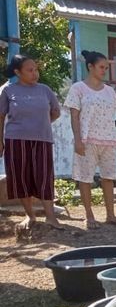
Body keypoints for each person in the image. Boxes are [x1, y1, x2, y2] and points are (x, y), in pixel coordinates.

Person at [64, 50, 116, 229]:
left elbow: (113, 114)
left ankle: (111, 215)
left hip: (108, 140)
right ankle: (89, 216)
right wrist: (77, 140)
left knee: (108, 178)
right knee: (85, 178)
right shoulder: (78, 88)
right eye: (101, 67)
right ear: (90, 66)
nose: (104, 70)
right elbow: (74, 116)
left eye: (106, 68)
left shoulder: (110, 91)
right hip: (87, 139)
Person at [0, 55, 62, 230]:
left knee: (44, 178)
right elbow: (0, 116)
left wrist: (41, 124)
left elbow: (56, 111)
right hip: (15, 140)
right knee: (21, 178)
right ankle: (30, 216)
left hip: (42, 140)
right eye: (30, 70)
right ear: (17, 72)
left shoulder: (45, 90)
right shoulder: (7, 90)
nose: (35, 73)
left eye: (36, 69)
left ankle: (51, 217)